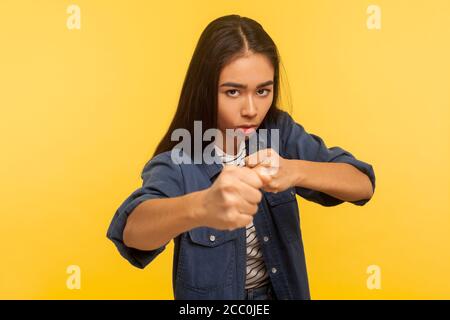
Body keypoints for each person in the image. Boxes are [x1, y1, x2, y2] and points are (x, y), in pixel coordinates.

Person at [106, 14, 376, 300]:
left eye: (263, 90)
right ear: (206, 90)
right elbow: (132, 232)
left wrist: (294, 170)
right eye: (233, 91)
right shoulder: (181, 157)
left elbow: (362, 184)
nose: (251, 109)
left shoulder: (279, 132)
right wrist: (201, 206)